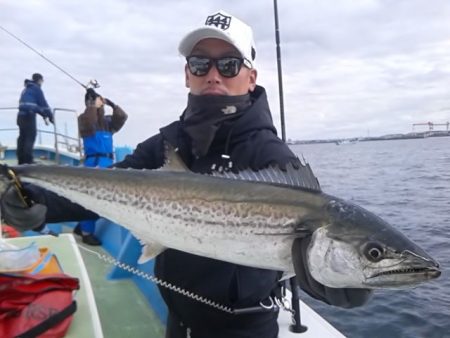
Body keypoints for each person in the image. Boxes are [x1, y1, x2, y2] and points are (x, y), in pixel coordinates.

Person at [0, 10, 373, 338]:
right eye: (200, 63)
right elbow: (107, 190)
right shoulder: (168, 142)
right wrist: (37, 202)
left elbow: (314, 248)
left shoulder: (271, 158)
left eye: (228, 64)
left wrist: (339, 284)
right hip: (177, 319)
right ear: (187, 74)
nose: (213, 74)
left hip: (241, 330)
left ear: (251, 77)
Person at [73, 89, 128, 245]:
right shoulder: (84, 119)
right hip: (93, 164)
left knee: (104, 200)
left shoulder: (107, 122)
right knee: (92, 199)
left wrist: (110, 103)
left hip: (108, 164)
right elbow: (89, 120)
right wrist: (92, 106)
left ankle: (81, 225)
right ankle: (86, 233)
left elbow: (123, 117)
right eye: (95, 101)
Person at [16, 73, 54, 164]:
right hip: (29, 116)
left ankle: (21, 160)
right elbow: (43, 104)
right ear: (40, 80)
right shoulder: (37, 89)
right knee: (30, 137)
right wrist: (51, 116)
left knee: (22, 137)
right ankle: (28, 161)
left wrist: (43, 115)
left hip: (20, 116)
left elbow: (33, 105)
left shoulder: (26, 89)